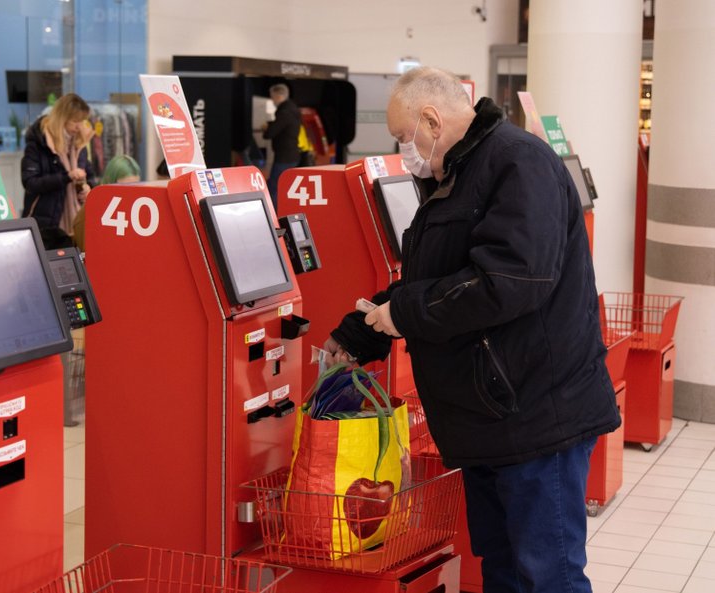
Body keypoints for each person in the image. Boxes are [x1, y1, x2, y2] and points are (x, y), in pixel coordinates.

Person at [323, 67, 619, 593]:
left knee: (548, 574)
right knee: (501, 567)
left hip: (535, 417)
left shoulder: (517, 164)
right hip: (490, 417)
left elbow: (508, 280)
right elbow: (436, 277)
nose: (401, 150)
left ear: (431, 120)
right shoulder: (456, 173)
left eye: (401, 136)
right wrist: (363, 331)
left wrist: (407, 313)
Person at [21, 93, 95, 238]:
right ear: (62, 118)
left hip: (77, 223)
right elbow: (30, 182)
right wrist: (66, 177)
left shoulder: (79, 145)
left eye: (82, 122)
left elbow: (91, 175)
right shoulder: (38, 144)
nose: (79, 127)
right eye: (75, 121)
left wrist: (88, 188)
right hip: (46, 226)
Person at [72, 154, 141, 250]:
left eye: (135, 187)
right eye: (124, 187)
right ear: (110, 183)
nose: (130, 193)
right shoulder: (91, 211)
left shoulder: (135, 210)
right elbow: (88, 256)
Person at [262, 83, 300, 208]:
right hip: (293, 153)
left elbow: (271, 132)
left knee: (274, 187)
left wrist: (267, 128)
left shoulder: (284, 111)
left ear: (278, 96)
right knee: (284, 187)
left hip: (284, 155)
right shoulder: (293, 108)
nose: (272, 100)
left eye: (272, 97)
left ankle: (274, 217)